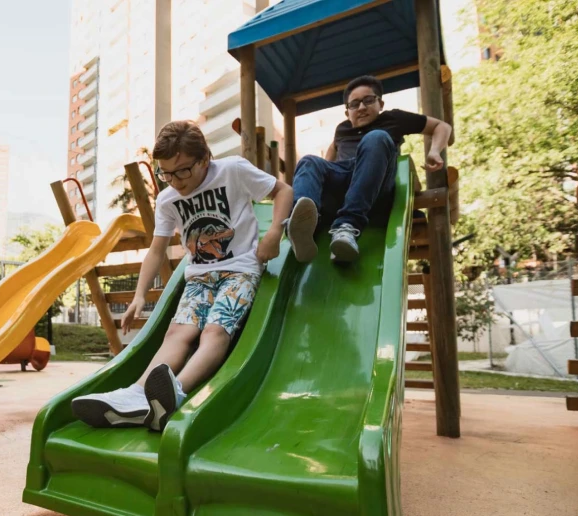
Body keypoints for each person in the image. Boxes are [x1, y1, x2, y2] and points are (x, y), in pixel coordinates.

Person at [72, 120, 293, 432]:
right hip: (199, 277)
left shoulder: (232, 170)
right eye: (166, 173)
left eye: (182, 171)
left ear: (204, 159)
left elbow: (283, 190)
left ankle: (172, 394)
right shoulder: (167, 199)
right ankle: (137, 394)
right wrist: (139, 295)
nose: (174, 181)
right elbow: (156, 250)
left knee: (214, 332)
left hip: (240, 269)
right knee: (176, 334)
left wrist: (274, 233)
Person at [286, 75, 452, 263]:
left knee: (376, 137)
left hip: (375, 183)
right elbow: (329, 158)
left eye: (368, 100)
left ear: (380, 103)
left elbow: (441, 126)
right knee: (308, 161)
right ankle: (303, 225)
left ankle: (347, 227)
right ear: (347, 111)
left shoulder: (393, 119)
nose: (362, 107)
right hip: (342, 185)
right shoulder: (342, 130)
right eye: (354, 104)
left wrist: (435, 151)